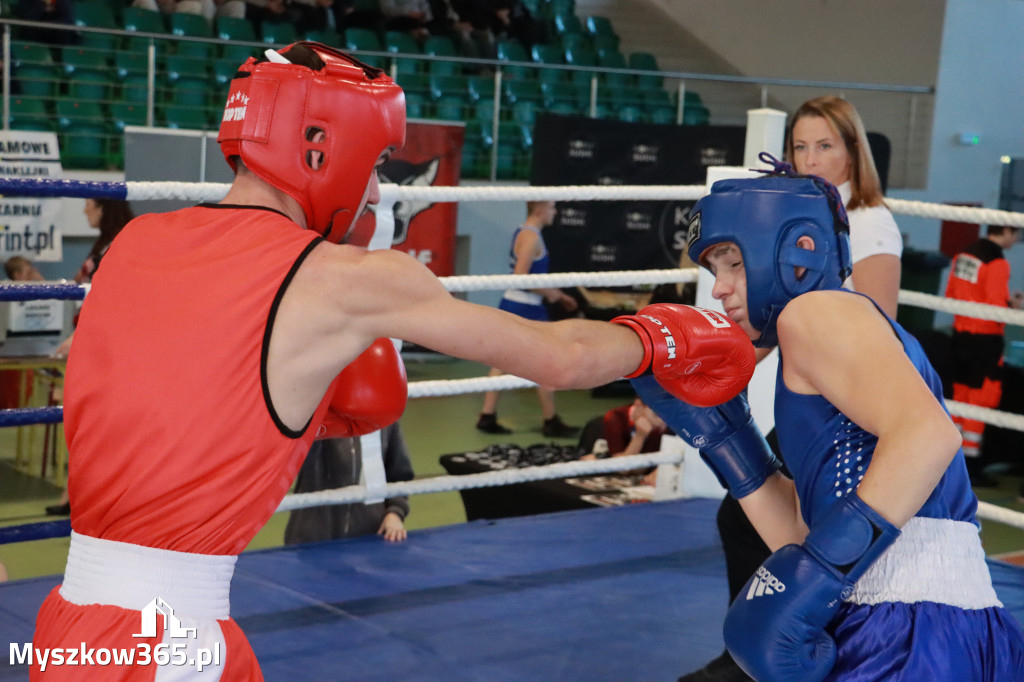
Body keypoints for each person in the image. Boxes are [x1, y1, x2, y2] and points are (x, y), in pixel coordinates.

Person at [30, 42, 756, 679]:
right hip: (168, 644)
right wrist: (673, 331)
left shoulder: (132, 247)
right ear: (320, 147)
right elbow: (561, 358)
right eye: (376, 162)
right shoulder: (346, 279)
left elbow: (175, 406)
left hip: (67, 626)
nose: (377, 189)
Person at [635, 160, 1024, 682]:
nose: (720, 290)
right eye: (713, 271)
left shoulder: (815, 312)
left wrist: (816, 577)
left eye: (732, 263)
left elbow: (929, 436)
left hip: (906, 625)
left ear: (797, 250)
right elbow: (803, 532)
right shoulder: (830, 339)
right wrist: (731, 443)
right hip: (921, 622)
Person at [681, 95, 906, 682]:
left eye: (824, 146)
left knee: (774, 519)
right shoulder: (789, 213)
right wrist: (713, 368)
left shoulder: (868, 221)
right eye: (799, 147)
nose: (809, 159)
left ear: (853, 154)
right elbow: (778, 315)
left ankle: (776, 642)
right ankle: (757, 647)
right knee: (748, 516)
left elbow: (873, 321)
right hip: (812, 389)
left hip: (850, 400)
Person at [476, 200, 582, 438]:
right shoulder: (530, 236)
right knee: (544, 360)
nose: (555, 212)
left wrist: (556, 294)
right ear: (539, 210)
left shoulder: (528, 233)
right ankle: (549, 420)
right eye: (552, 207)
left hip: (523, 304)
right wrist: (555, 294)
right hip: (523, 306)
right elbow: (521, 277)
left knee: (509, 361)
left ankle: (488, 415)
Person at [945, 224, 1024, 486]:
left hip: (960, 336)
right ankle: (971, 468)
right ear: (1007, 232)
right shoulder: (997, 262)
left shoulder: (964, 254)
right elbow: (994, 305)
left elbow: (951, 294)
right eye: (1016, 234)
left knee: (960, 396)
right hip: (985, 341)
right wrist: (1014, 307)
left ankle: (949, 459)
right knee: (979, 401)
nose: (1016, 240)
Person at [284, 422, 413, 544]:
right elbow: (294, 459)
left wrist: (395, 512)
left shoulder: (385, 417)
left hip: (370, 539)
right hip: (313, 539)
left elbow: (399, 474)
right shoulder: (317, 413)